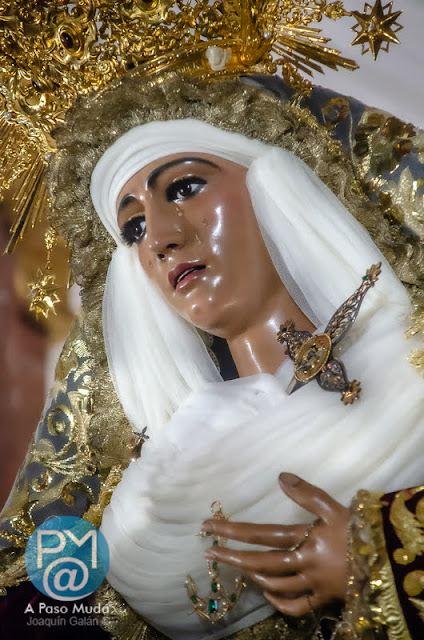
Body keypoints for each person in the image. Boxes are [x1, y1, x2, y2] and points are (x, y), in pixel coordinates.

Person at [1, 54, 424, 640]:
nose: (161, 238)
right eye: (134, 229)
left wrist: (388, 554)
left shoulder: (414, 366)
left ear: (278, 180)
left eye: (185, 187)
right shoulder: (142, 509)